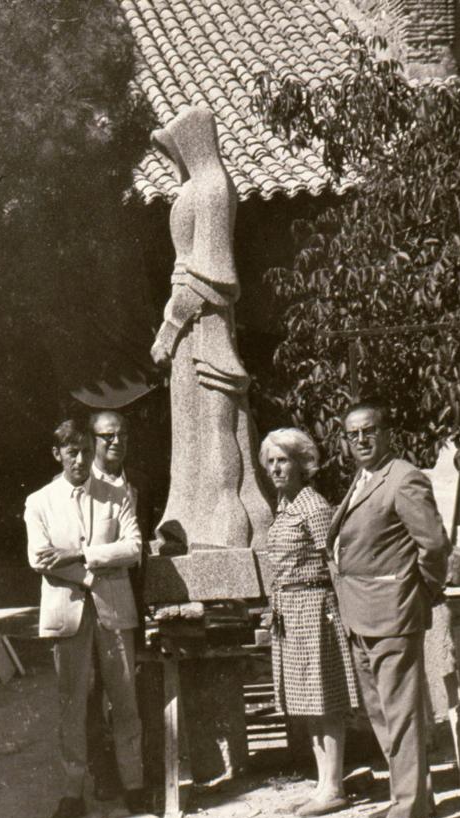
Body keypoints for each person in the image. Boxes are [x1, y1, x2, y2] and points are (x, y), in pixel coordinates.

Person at [327, 399, 450, 818]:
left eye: (369, 431)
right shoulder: (363, 479)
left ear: (386, 433)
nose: (361, 440)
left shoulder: (403, 477)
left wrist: (422, 592)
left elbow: (433, 545)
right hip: (361, 614)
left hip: (393, 613)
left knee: (401, 715)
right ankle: (415, 797)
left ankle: (409, 815)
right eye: (353, 434)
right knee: (382, 713)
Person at [150, 105, 272, 551]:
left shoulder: (213, 187)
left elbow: (212, 274)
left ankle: (229, 522)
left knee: (217, 420)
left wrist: (170, 327)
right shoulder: (198, 187)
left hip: (203, 323)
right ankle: (190, 519)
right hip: (189, 324)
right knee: (194, 429)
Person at [24, 419, 144, 818]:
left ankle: (134, 785)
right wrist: (92, 576)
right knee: (72, 705)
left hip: (114, 611)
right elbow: (39, 558)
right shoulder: (39, 501)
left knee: (125, 699)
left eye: (84, 451)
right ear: (56, 454)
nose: (79, 460)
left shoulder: (117, 495)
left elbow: (133, 548)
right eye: (70, 452)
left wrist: (80, 556)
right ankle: (72, 792)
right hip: (68, 614)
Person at [260, 428, 359, 817]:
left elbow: (335, 562)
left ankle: (334, 787)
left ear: (302, 464)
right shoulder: (285, 506)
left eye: (283, 460)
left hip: (316, 609)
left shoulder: (313, 507)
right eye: (270, 462)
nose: (275, 468)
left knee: (326, 699)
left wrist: (345, 616)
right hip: (290, 610)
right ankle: (322, 784)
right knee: (307, 701)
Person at [86, 409, 152, 801]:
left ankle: (135, 777)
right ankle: (103, 774)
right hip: (89, 605)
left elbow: (143, 542)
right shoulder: (79, 484)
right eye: (107, 436)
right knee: (91, 694)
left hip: (131, 599)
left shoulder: (140, 482)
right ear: (92, 440)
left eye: (122, 435)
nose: (116, 441)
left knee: (128, 689)